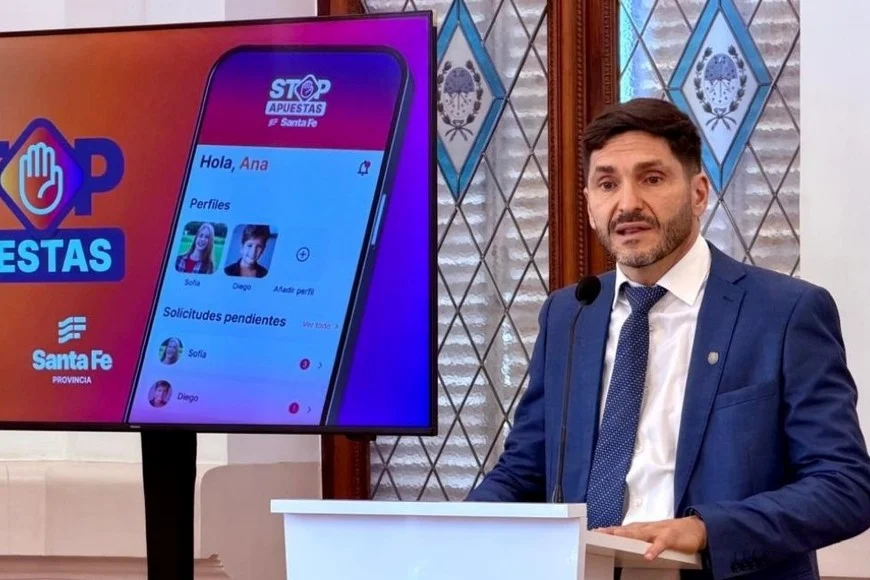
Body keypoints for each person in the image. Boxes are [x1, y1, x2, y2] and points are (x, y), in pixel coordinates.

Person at [465, 98, 870, 579]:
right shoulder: (570, 314)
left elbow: (844, 485)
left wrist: (705, 530)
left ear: (698, 193)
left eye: (652, 179)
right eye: (607, 184)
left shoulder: (784, 312)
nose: (627, 204)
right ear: (589, 203)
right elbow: (524, 472)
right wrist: (448, 534)